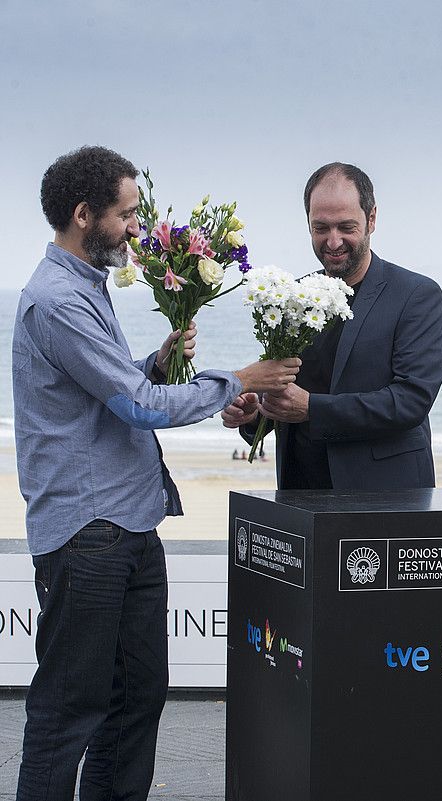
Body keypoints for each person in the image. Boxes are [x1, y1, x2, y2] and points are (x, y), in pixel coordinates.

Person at [13, 145, 301, 801]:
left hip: (127, 522)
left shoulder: (85, 287)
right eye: (127, 213)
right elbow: (137, 408)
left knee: (137, 700)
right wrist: (238, 379)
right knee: (67, 714)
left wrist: (158, 357)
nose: (138, 229)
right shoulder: (56, 299)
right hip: (89, 534)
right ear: (85, 215)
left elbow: (109, 390)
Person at [221, 162, 442, 490]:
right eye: (321, 228)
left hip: (386, 494)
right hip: (300, 489)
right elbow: (284, 383)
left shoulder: (416, 295)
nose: (333, 241)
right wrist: (255, 411)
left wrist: (312, 408)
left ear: (371, 219)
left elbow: (410, 401)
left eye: (346, 227)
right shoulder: (293, 294)